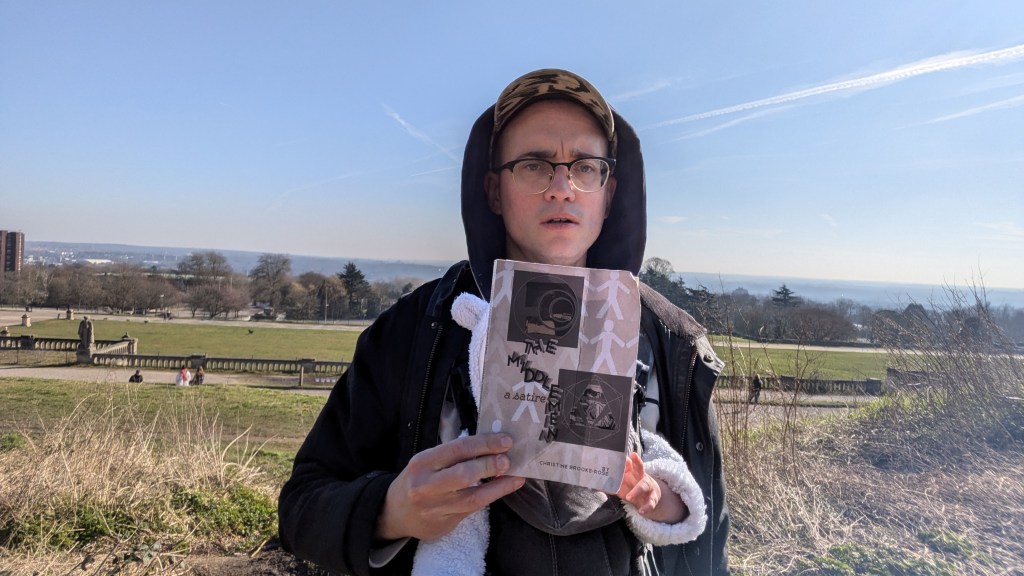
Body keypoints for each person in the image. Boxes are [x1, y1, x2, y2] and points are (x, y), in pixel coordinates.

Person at [278, 68, 729, 575]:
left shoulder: (671, 343)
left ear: (609, 193)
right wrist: (390, 511)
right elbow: (302, 506)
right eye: (534, 165)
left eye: (586, 167)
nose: (562, 187)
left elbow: (709, 546)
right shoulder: (414, 329)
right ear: (493, 191)